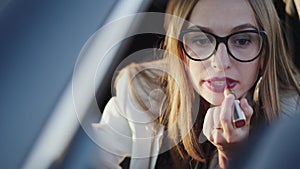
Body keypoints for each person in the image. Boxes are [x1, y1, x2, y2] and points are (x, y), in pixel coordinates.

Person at [93, 0, 300, 169]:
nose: (221, 63)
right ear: (182, 51)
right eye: (201, 40)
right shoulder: (143, 88)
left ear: (263, 53)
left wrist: (235, 157)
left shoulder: (290, 119)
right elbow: (90, 158)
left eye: (242, 40)